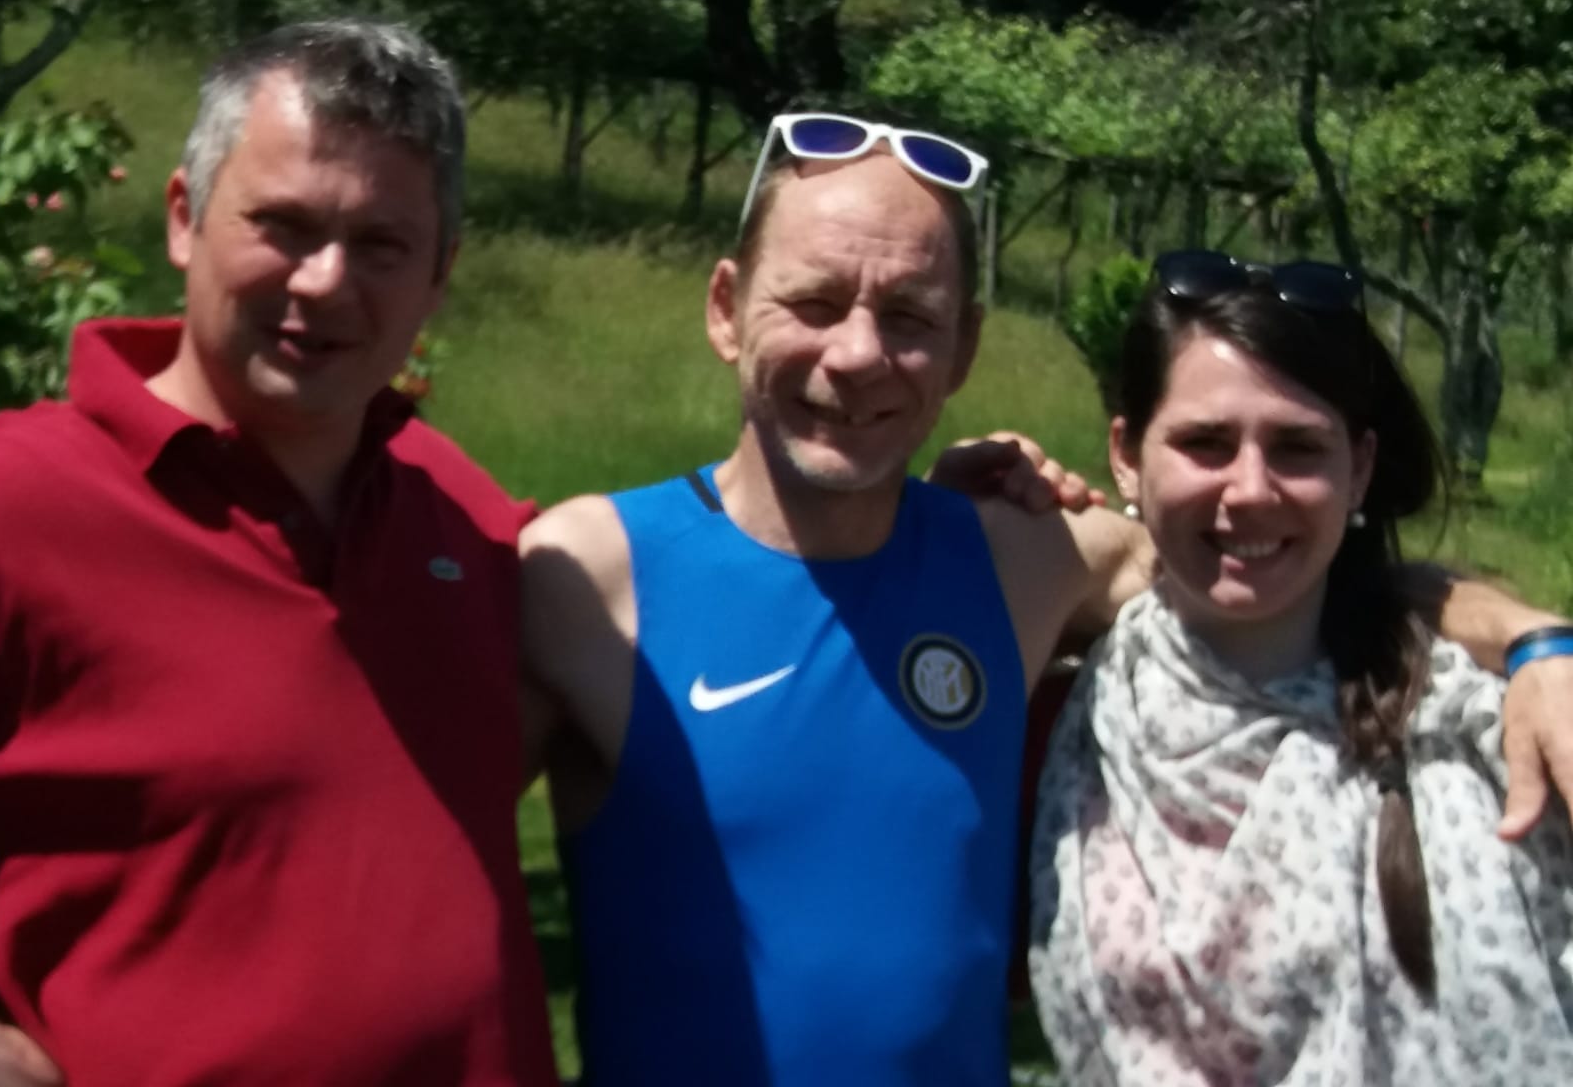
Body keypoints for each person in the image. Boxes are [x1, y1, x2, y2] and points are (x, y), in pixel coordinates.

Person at [519, 117, 1573, 1086]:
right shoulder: (586, 575)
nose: (855, 354)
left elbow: (1294, 565)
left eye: (909, 316)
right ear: (723, 309)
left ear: (965, 347)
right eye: (812, 301)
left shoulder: (1021, 559)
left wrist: (1531, 644)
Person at [0, 20, 558, 1085]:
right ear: (185, 218)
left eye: (382, 244)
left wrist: (938, 530)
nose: (327, 283)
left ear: (439, 272)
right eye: (282, 225)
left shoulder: (467, 523)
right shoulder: (3, 504)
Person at [1027, 251, 1573, 1085]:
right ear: (1127, 455)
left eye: (1296, 448)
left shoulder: (1499, 730)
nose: (1249, 489)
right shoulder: (1055, 698)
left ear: (1358, 467)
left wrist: (1537, 641)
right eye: (1206, 442)